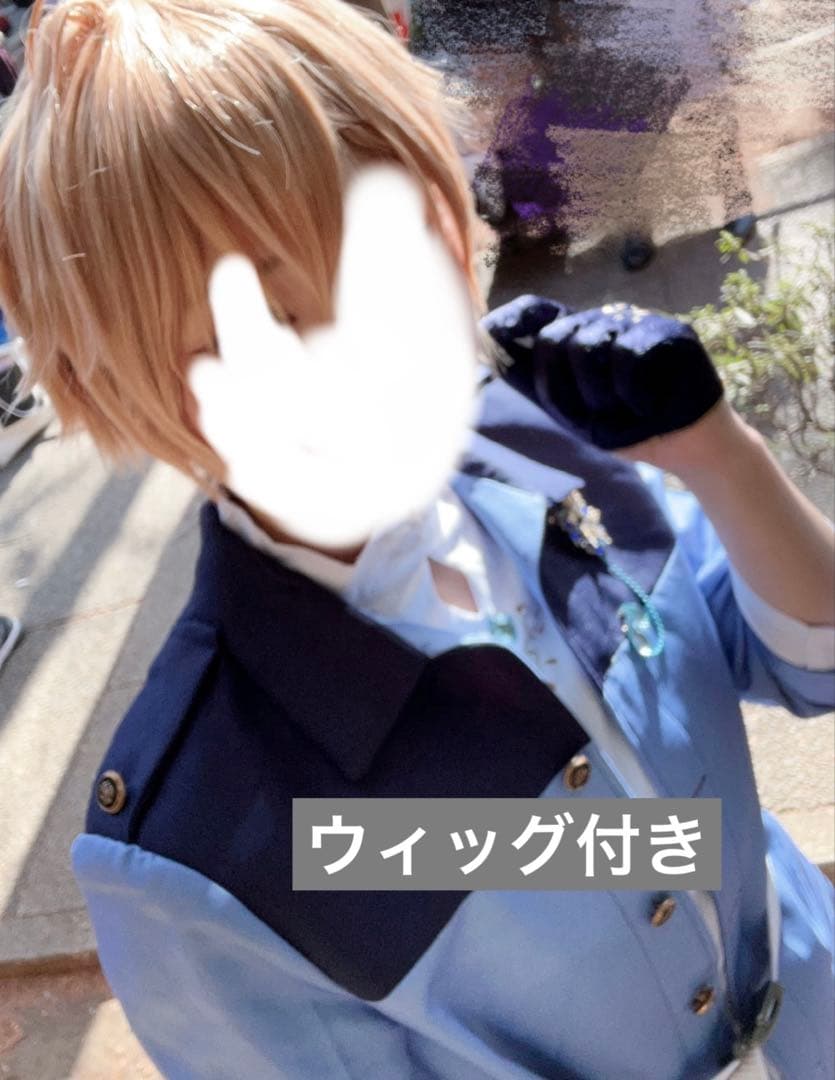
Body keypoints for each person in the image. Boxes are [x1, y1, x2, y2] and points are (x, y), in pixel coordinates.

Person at [0, 2, 832, 1079]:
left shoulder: (554, 437)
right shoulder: (204, 842)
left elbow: (802, 665)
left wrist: (718, 456)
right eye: (278, 322)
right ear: (124, 386)